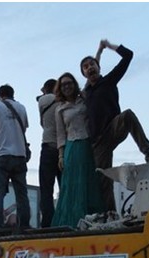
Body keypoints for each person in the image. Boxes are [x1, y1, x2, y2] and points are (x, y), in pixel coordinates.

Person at [80, 39, 149, 212]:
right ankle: (110, 213)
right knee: (102, 177)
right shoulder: (85, 92)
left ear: (99, 68)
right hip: (98, 142)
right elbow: (92, 69)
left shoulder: (109, 80)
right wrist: (98, 52)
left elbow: (128, 55)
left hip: (113, 128)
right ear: (84, 74)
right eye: (86, 67)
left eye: (92, 65)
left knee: (128, 115)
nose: (90, 68)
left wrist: (108, 46)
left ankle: (148, 153)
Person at [52, 73, 106, 228]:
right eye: (63, 84)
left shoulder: (84, 100)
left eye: (69, 83)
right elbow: (60, 134)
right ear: (60, 88)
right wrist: (61, 155)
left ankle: (93, 218)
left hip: (88, 144)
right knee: (72, 184)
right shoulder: (60, 109)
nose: (67, 86)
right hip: (71, 146)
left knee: (89, 180)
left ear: (74, 84)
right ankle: (73, 220)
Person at [0, 84, 31, 230]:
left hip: (0, 155)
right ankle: (24, 225)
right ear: (13, 94)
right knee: (21, 194)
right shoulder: (22, 108)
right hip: (19, 155)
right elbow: (24, 129)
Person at [37, 78, 61, 228]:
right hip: (63, 148)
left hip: (47, 147)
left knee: (46, 189)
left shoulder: (42, 101)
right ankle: (64, 218)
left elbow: (42, 123)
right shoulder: (63, 101)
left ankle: (47, 223)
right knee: (64, 187)